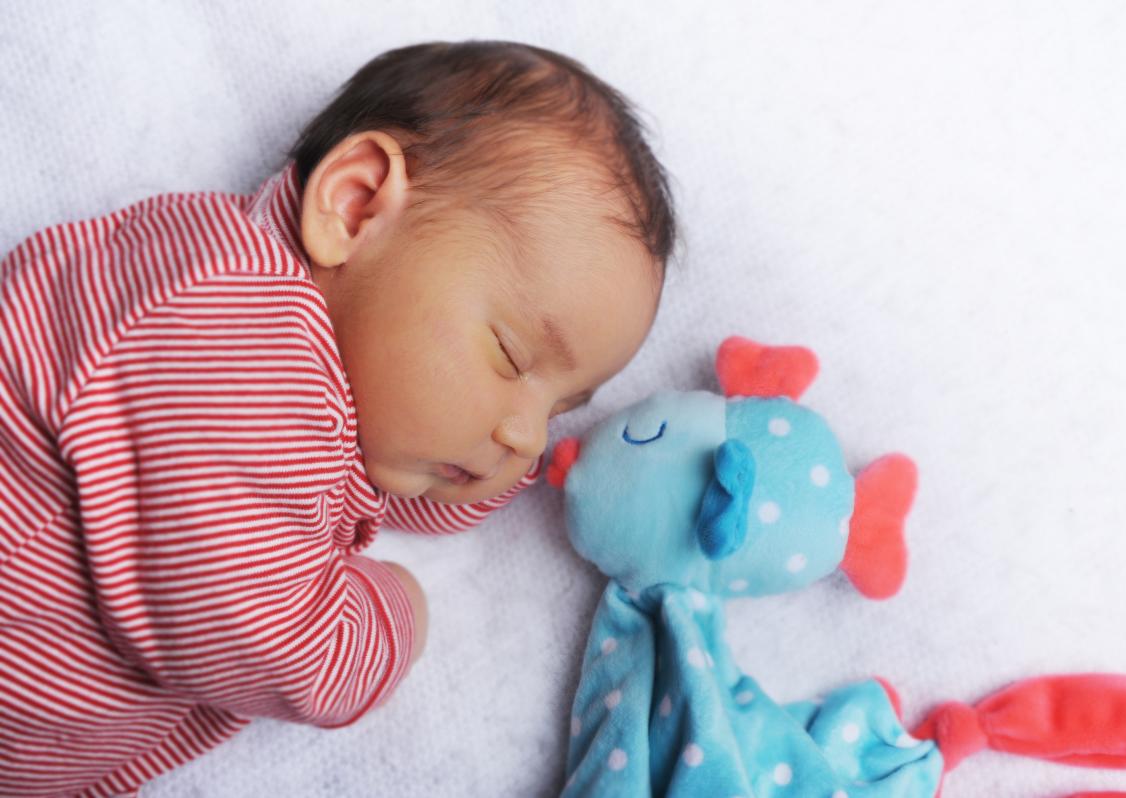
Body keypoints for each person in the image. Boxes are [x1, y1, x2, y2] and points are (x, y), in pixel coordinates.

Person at [0, 40, 675, 796]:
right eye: (513, 359)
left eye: (558, 408)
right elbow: (269, 641)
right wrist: (393, 614)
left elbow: (386, 477)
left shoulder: (324, 392)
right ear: (355, 208)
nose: (525, 431)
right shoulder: (230, 328)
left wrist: (548, 468)